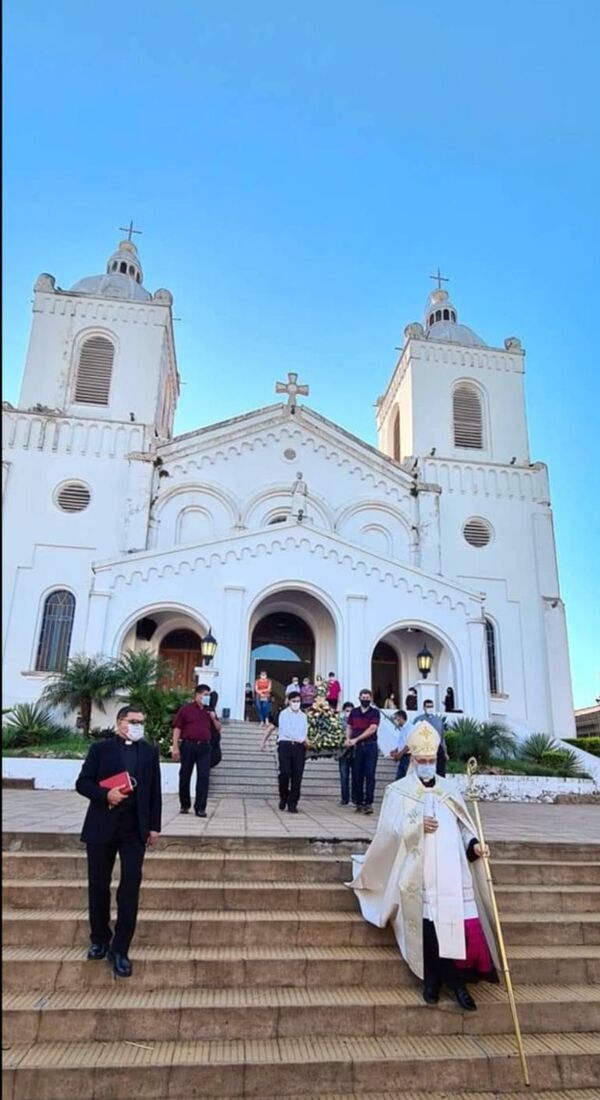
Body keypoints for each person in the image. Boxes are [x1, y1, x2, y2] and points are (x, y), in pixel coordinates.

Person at [350, 721, 499, 1011]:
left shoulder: (449, 789)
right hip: (418, 869)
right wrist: (416, 825)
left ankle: (457, 984)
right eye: (423, 761)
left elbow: (463, 826)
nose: (428, 765)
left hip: (452, 871)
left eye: (432, 761)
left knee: (453, 927)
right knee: (428, 927)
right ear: (413, 761)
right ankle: (431, 980)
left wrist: (474, 845)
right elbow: (389, 832)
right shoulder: (399, 790)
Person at [75, 704, 162, 978]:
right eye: (133, 720)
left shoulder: (149, 751)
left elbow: (154, 790)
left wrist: (154, 826)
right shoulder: (100, 750)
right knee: (98, 884)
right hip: (102, 824)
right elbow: (83, 783)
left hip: (134, 829)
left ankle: (121, 948)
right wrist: (105, 795)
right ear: (119, 722)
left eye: (142, 721)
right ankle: (100, 939)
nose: (138, 725)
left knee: (130, 887)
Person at [171, 684, 222, 817]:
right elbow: (177, 728)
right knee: (185, 775)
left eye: (208, 695)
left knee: (204, 777)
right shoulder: (186, 709)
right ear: (197, 695)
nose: (207, 698)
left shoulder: (209, 710)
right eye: (205, 695)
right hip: (188, 745)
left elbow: (218, 727)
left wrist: (212, 716)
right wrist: (175, 746)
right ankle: (185, 804)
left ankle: (200, 807)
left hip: (205, 747)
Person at [260, 691, 309, 813]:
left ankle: (293, 803)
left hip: (299, 747)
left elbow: (304, 732)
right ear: (289, 701)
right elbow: (273, 728)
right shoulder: (282, 714)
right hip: (285, 745)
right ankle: (283, 795)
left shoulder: (303, 716)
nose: (296, 703)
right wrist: (263, 741)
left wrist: (307, 742)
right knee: (285, 773)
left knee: (297, 776)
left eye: (298, 701)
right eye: (294, 701)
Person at [345, 689, 380, 814]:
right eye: (363, 697)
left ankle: (368, 803)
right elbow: (349, 726)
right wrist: (348, 739)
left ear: (371, 699)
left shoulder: (375, 712)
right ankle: (358, 803)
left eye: (367, 697)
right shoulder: (354, 712)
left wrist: (356, 739)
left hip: (370, 747)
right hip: (357, 748)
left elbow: (372, 729)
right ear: (359, 698)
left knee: (370, 775)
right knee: (356, 775)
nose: (365, 699)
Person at [415, 699, 448, 777]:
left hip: (438, 748)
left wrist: (445, 752)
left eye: (431, 706)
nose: (430, 708)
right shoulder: (419, 720)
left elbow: (442, 737)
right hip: (425, 749)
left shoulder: (438, 720)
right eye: (428, 706)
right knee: (426, 772)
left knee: (440, 771)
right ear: (424, 707)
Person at [337, 700, 355, 805]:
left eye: (351, 711)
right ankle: (345, 798)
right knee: (344, 776)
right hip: (343, 752)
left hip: (355, 751)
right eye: (347, 711)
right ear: (344, 711)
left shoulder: (357, 721)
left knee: (356, 776)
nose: (349, 713)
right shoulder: (339, 722)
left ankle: (354, 798)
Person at [389, 709, 410, 779]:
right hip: (403, 757)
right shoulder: (403, 729)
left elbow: (409, 745)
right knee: (399, 780)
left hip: (407, 757)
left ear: (400, 717)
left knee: (404, 779)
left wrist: (399, 755)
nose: (395, 720)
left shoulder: (409, 728)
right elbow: (403, 743)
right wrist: (395, 750)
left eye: (396, 718)